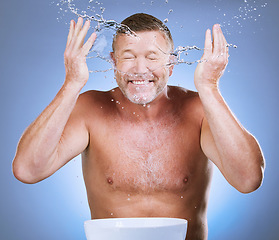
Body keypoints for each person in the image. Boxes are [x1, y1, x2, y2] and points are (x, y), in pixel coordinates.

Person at [12, 13, 265, 240]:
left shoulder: (198, 110)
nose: (140, 69)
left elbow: (248, 179)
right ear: (114, 62)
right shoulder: (90, 109)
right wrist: (71, 83)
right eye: (128, 57)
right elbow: (28, 170)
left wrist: (210, 88)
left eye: (152, 57)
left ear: (172, 63)